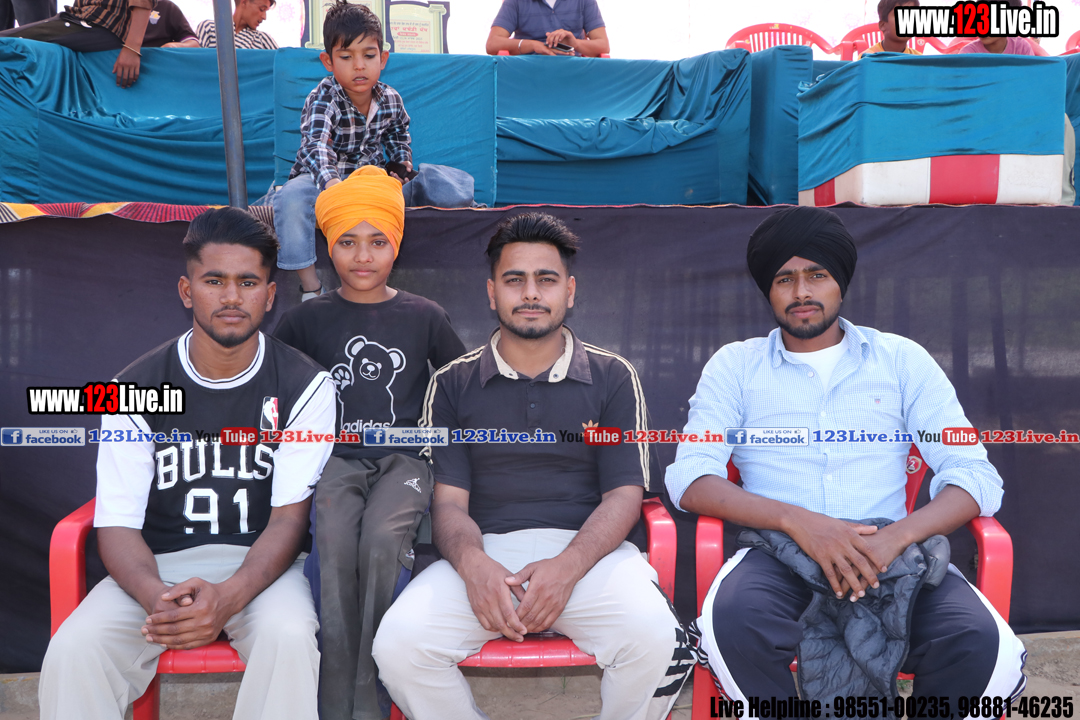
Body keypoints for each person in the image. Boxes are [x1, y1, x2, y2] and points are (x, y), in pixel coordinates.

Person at [664, 206, 1027, 703]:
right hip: (778, 554)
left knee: (979, 645)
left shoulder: (901, 360)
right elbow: (691, 477)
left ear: (841, 283)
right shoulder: (736, 366)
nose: (801, 292)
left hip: (891, 554)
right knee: (733, 627)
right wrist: (799, 522)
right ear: (768, 290)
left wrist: (896, 538)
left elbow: (973, 473)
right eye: (784, 279)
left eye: (817, 275)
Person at [373, 212, 692, 720]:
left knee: (657, 639)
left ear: (570, 290)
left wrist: (566, 569)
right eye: (514, 279)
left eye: (546, 279)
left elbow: (624, 496)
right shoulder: (451, 383)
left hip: (590, 556)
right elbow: (449, 504)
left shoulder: (613, 375)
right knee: (399, 646)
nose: (530, 293)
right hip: (487, 555)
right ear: (491, 292)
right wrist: (475, 567)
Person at [37, 207, 336, 720]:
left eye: (247, 282)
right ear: (186, 290)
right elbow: (117, 523)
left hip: (263, 569)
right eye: (214, 281)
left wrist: (229, 596)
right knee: (75, 649)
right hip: (157, 568)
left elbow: (289, 520)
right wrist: (157, 597)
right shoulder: (133, 387)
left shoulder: (305, 386)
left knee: (288, 636)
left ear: (270, 295)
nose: (231, 297)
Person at [273, 166, 466, 720]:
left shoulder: (424, 315)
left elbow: (457, 386)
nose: (363, 256)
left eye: (377, 241)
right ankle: (336, 706)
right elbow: (276, 389)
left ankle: (375, 696)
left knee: (384, 540)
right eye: (347, 242)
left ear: (396, 245)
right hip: (332, 459)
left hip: (407, 459)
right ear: (328, 248)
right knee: (333, 543)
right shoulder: (306, 320)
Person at [272, 0, 411, 301]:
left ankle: (382, 283)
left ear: (383, 59)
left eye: (368, 56)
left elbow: (399, 137)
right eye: (346, 57)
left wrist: (400, 170)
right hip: (321, 180)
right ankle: (311, 287)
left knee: (429, 182)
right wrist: (333, 186)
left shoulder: (391, 99)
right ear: (328, 61)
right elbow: (315, 145)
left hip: (369, 179)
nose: (359, 66)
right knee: (289, 198)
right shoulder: (324, 98)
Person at [957, 7, 1074, 205]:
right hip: (983, 117)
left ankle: (1063, 199)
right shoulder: (968, 53)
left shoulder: (1021, 47)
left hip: (1018, 114)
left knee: (1062, 122)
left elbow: (1027, 91)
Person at [0, 0, 199, 86]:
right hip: (81, 19)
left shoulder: (169, 9)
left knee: (6, 41)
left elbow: (192, 41)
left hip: (98, 24)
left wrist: (132, 47)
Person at [485, 0, 608, 57]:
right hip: (527, 75)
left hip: (573, 74)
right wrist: (533, 45)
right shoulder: (515, 2)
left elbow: (603, 45)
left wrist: (575, 43)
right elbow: (492, 44)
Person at [196, 0, 277, 49]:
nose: (264, 17)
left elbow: (282, 65)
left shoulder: (263, 40)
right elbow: (195, 63)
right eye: (262, 9)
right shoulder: (208, 28)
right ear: (244, 2)